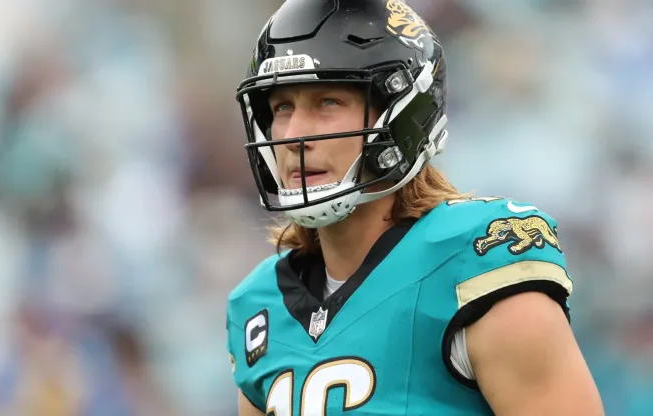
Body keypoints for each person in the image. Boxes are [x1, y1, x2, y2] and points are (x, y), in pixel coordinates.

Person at [225, 0, 604, 414]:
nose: (295, 133)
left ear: (401, 114)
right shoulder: (259, 303)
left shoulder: (478, 261)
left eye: (328, 102)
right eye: (282, 107)